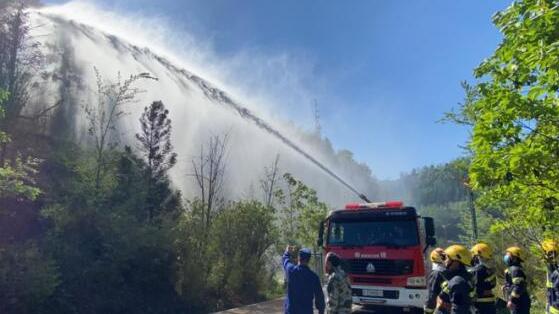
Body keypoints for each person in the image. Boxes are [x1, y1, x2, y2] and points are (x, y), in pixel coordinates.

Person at [282, 246, 325, 314]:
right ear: (309, 259)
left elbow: (285, 262)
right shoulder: (314, 277)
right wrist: (321, 311)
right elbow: (320, 298)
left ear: (299, 257)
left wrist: (287, 252)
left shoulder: (291, 271)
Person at [436, 245, 475, 314]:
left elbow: (458, 310)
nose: (445, 261)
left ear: (456, 262)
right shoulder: (465, 277)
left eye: (447, 258)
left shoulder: (458, 282)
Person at [470, 243, 496, 314]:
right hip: (490, 301)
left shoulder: (478, 270)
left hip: (480, 303)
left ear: (478, 256)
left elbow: (477, 288)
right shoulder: (490, 268)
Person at [503, 246, 530, 314]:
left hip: (519, 302)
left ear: (514, 258)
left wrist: (512, 300)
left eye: (508, 255)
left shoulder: (515, 270)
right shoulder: (512, 269)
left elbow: (518, 286)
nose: (506, 256)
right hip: (518, 301)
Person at [425, 247, 447, 314]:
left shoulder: (436, 274)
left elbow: (432, 294)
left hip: (441, 308)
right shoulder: (449, 271)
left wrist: (428, 311)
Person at [542, 239, 558, 314]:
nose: (544, 255)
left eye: (545, 252)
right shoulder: (550, 269)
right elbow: (550, 290)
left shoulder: (556, 272)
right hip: (551, 306)